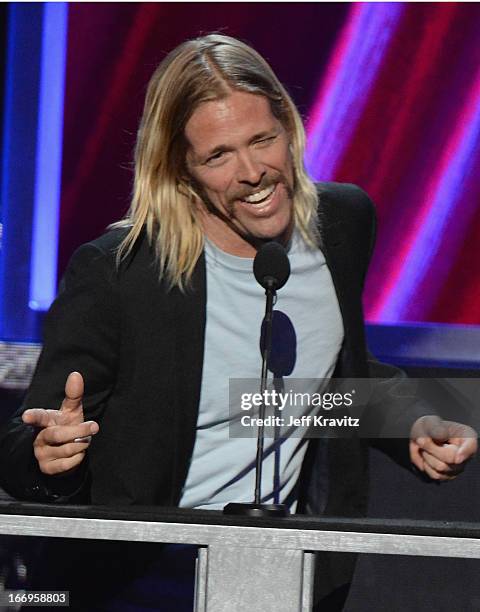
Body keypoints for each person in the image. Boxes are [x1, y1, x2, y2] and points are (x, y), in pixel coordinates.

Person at [0, 34, 476, 611]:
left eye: (262, 139)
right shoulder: (121, 272)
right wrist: (50, 455)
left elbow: (314, 381)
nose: (252, 172)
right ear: (181, 168)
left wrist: (412, 422)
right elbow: (27, 440)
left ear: (289, 125)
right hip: (146, 578)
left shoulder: (343, 223)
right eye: (218, 156)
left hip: (287, 568)